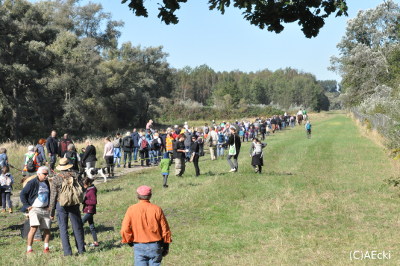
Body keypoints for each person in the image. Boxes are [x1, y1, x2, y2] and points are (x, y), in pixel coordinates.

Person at [120, 185, 172, 265]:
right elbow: (165, 229)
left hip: (139, 244)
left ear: (137, 196)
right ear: (150, 196)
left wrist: (130, 242)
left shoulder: (131, 209)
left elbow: (124, 229)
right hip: (155, 245)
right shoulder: (157, 209)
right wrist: (166, 246)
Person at [49, 158, 85, 256]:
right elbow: (82, 189)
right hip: (74, 203)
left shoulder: (56, 178)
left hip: (61, 205)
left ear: (60, 167)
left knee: (63, 228)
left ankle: (68, 252)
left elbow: (53, 197)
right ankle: (81, 250)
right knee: (77, 227)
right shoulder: (76, 175)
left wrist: (51, 212)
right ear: (68, 165)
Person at [20, 166, 52, 254]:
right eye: (44, 174)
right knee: (33, 228)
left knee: (47, 228)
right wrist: (27, 205)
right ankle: (29, 249)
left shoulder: (46, 182)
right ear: (38, 174)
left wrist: (49, 205)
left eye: (47, 174)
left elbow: (49, 194)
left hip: (45, 209)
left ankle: (46, 248)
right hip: (35, 209)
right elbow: (23, 194)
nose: (46, 175)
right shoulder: (32, 182)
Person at [82, 177, 99, 247]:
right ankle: (96, 242)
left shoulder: (91, 191)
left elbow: (94, 201)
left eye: (84, 185)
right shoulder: (90, 189)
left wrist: (84, 201)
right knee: (91, 226)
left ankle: (82, 242)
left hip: (90, 210)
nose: (83, 186)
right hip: (89, 210)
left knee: (80, 224)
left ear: (88, 184)